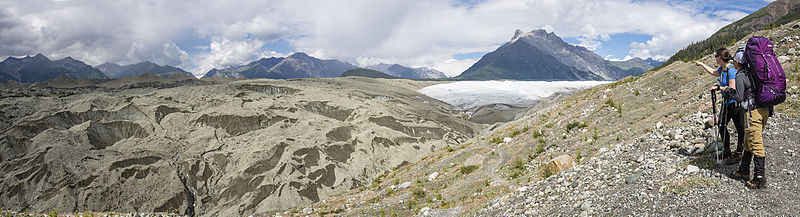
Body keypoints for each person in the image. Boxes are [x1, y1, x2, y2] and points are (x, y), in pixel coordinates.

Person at [726, 46, 770, 189]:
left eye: (734, 62)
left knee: (755, 143)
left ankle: (759, 178)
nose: (733, 64)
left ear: (738, 62)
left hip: (753, 112)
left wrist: (728, 91)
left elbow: (738, 97)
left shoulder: (740, 75)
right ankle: (743, 170)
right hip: (765, 110)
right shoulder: (754, 72)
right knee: (748, 140)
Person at [694, 48, 746, 164]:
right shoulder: (722, 69)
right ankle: (726, 150)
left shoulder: (731, 70)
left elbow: (732, 88)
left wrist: (719, 88)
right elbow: (713, 72)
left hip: (735, 103)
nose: (715, 58)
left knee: (740, 129)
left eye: (716, 56)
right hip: (726, 103)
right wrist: (702, 64)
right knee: (721, 125)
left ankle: (739, 153)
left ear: (720, 57)